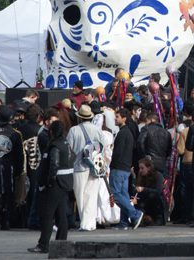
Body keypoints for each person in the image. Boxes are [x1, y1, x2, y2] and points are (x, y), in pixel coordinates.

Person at [28, 121, 73, 254]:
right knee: (61, 214)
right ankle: (61, 243)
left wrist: (47, 182)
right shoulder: (66, 144)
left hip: (55, 184)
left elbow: (54, 165)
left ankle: (43, 245)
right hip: (65, 183)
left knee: (47, 215)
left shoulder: (55, 146)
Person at [66, 104, 106, 232]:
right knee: (92, 195)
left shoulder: (73, 130)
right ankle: (90, 223)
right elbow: (103, 146)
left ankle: (84, 223)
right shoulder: (97, 130)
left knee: (80, 195)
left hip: (79, 166)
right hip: (94, 165)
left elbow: (69, 149)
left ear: (80, 117)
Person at [110, 108, 143, 230]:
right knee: (123, 195)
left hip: (119, 167)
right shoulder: (127, 132)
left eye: (117, 116)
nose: (115, 118)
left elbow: (118, 153)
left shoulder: (123, 133)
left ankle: (135, 214)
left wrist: (113, 165)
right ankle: (123, 222)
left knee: (116, 194)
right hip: (125, 168)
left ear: (124, 118)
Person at [132, 158, 166, 226]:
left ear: (149, 168)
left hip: (158, 201)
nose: (140, 170)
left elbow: (158, 191)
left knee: (152, 196)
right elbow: (136, 190)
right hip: (146, 201)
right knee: (135, 198)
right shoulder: (141, 176)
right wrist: (134, 177)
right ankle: (138, 216)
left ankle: (159, 218)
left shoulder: (157, 175)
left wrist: (143, 189)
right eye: (139, 168)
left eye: (142, 168)